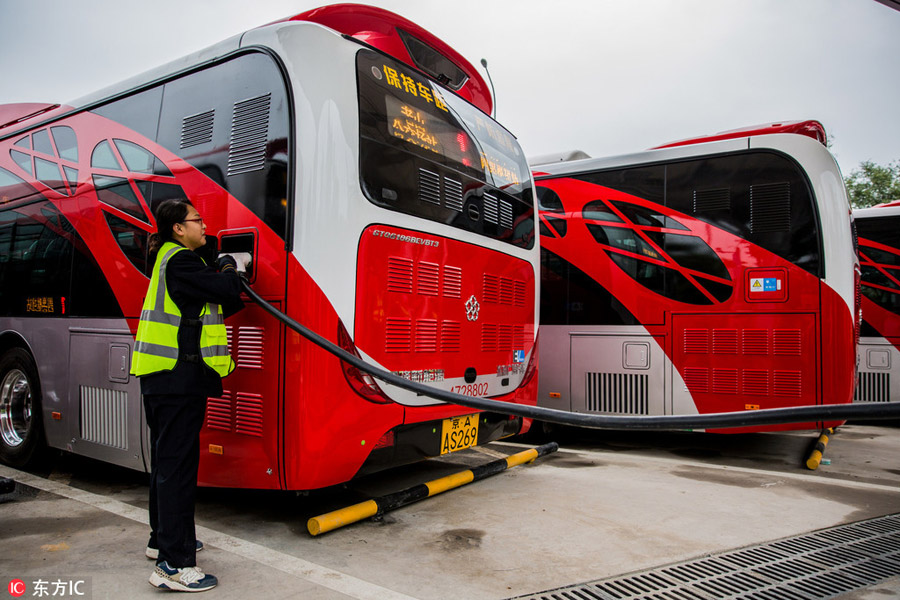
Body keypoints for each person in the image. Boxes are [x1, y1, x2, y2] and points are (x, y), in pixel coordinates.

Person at [130, 198, 248, 592]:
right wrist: (230, 264)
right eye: (197, 220)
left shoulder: (168, 260)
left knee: (166, 463)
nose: (204, 225)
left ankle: (160, 541)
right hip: (177, 379)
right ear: (178, 228)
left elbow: (221, 301)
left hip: (161, 378)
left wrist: (216, 264)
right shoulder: (181, 262)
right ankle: (174, 566)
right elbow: (231, 288)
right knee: (178, 469)